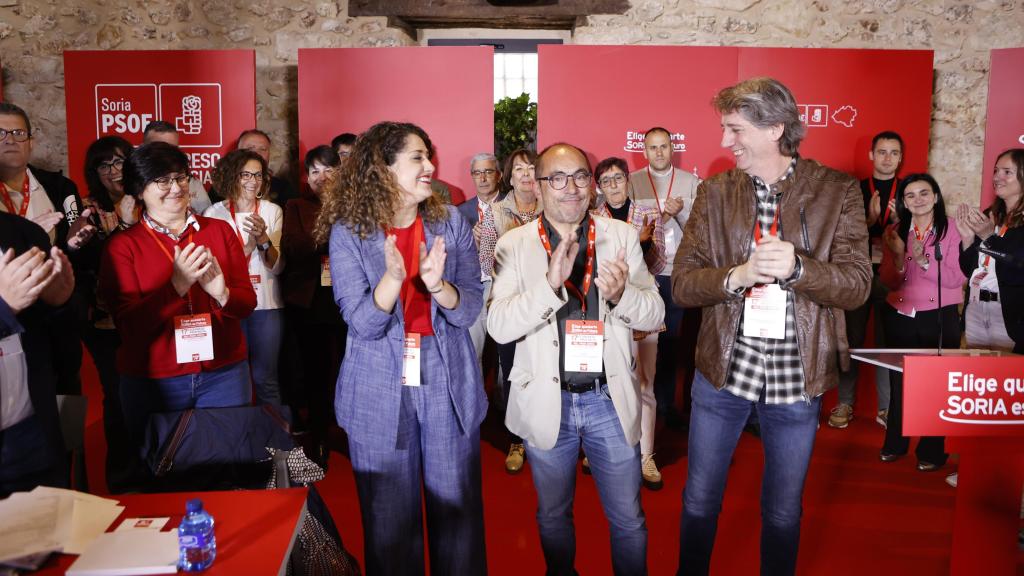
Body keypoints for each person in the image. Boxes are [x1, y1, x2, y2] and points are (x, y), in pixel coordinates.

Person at [673, 77, 871, 576]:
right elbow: (683, 285)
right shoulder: (715, 192)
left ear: (775, 129)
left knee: (783, 512)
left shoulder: (838, 191)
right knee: (699, 501)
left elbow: (856, 286)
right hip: (722, 375)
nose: (725, 141)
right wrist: (736, 277)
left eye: (735, 129)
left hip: (795, 380)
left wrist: (800, 268)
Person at [314, 121, 487, 575]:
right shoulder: (350, 232)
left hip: (446, 375)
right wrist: (392, 280)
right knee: (389, 520)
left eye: (429, 155)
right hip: (378, 381)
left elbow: (469, 309)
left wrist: (439, 286)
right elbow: (362, 323)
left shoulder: (450, 220)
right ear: (382, 168)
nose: (431, 166)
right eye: (417, 157)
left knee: (457, 512)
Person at [488, 142, 663, 575]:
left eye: (581, 176)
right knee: (552, 516)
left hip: (609, 397)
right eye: (558, 178)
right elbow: (499, 325)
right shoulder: (515, 244)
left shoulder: (619, 236)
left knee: (628, 520)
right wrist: (549, 286)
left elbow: (656, 312)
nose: (571, 188)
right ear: (539, 185)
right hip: (549, 401)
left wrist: (622, 296)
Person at [98, 142, 256, 449]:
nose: (176, 188)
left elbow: (247, 303)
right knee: (162, 475)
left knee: (227, 466)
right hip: (155, 380)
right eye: (163, 180)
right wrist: (176, 288)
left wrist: (222, 294)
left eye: (181, 177)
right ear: (139, 189)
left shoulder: (219, 231)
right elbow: (129, 326)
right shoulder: (122, 247)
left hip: (224, 373)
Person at [0, 102, 94, 398]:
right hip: (7, 320)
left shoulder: (59, 187)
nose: (10, 140)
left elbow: (72, 253)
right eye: (0, 133)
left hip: (55, 321)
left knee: (64, 409)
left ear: (31, 142)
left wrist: (72, 244)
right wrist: (28, 232)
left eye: (17, 132)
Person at [878, 174, 964, 470]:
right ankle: (895, 443)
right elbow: (888, 280)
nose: (917, 199)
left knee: (936, 387)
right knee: (899, 383)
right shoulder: (895, 230)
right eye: (910, 195)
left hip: (939, 316)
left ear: (936, 197)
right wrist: (901, 258)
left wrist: (924, 260)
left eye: (924, 193)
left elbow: (956, 277)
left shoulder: (952, 229)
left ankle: (931, 451)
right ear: (903, 202)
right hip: (900, 314)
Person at [592, 156, 666, 490]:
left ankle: (646, 456)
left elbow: (659, 261)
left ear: (627, 180)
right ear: (599, 186)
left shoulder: (648, 214)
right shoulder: (593, 219)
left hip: (643, 306)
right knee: (607, 381)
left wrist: (645, 245)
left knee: (645, 384)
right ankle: (604, 450)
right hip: (605, 312)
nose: (613, 186)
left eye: (618, 179)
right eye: (606, 181)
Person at [951, 149, 1024, 487]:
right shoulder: (990, 216)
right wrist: (968, 240)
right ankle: (976, 468)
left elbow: (1018, 266)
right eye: (996, 170)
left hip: (1011, 317)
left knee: (1005, 397)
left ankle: (1002, 474)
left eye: (1007, 172)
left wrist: (985, 239)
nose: (998, 177)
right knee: (980, 391)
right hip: (978, 310)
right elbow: (970, 269)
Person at [80, 135, 145, 491]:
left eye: (120, 162)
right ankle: (122, 477)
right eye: (105, 165)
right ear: (95, 173)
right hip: (105, 321)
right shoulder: (88, 208)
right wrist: (119, 226)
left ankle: (156, 467)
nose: (114, 171)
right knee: (118, 394)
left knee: (153, 391)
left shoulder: (148, 200)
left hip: (150, 314)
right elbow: (92, 262)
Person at [829, 131, 904, 429]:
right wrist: (870, 222)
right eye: (882, 152)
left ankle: (886, 408)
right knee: (853, 341)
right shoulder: (853, 189)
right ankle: (845, 403)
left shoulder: (911, 190)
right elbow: (840, 235)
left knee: (888, 345)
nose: (887, 158)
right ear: (872, 155)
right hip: (857, 275)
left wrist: (901, 221)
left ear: (900, 157)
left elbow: (919, 235)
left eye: (894, 152)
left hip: (893, 277)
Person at [629, 127, 700, 427]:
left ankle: (666, 406)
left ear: (673, 149)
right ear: (644, 152)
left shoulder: (691, 182)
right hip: (643, 273)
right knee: (640, 343)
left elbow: (700, 231)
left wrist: (680, 213)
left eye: (664, 147)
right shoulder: (631, 182)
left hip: (675, 272)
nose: (658, 152)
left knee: (670, 343)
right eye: (652, 148)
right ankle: (638, 403)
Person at [0, 212, 75, 497]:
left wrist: (58, 302)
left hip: (31, 429)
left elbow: (52, 334)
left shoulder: (21, 232)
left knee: (48, 536)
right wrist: (3, 309)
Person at [280, 145, 347, 460]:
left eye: (329, 170)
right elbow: (295, 247)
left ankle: (348, 429)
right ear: (307, 176)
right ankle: (319, 434)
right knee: (315, 372)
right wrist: (332, 233)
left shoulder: (353, 203)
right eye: (315, 171)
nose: (322, 177)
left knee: (347, 369)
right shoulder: (295, 205)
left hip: (348, 299)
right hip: (308, 300)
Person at [204, 149, 285, 406]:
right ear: (232, 176)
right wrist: (247, 248)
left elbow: (278, 267)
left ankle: (276, 443)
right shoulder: (213, 214)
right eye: (246, 174)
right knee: (231, 378)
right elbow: (214, 268)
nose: (253, 180)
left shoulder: (272, 211)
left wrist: (262, 240)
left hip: (266, 305)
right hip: (228, 305)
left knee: (265, 379)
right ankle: (241, 440)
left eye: (258, 175)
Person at [489, 147, 540, 473]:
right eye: (519, 169)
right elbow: (486, 263)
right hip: (510, 304)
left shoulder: (551, 207)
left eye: (531, 168)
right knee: (511, 371)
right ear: (509, 175)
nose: (525, 174)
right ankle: (516, 439)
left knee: (543, 367)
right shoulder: (496, 212)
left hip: (547, 303)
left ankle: (543, 432)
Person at [457, 152, 502, 362]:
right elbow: (456, 259)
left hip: (506, 286)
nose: (482, 178)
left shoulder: (513, 206)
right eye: (477, 173)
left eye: (488, 172)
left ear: (499, 175)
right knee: (473, 353)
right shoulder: (460, 213)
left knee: (508, 355)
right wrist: (473, 245)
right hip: (476, 287)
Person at [142, 120, 213, 214]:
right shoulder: (133, 183)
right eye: (159, 148)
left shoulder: (192, 184)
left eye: (173, 149)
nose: (167, 154)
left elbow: (207, 218)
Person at [235, 129, 298, 208]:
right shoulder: (221, 189)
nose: (257, 153)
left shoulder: (284, 188)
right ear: (237, 152)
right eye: (250, 148)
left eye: (263, 149)